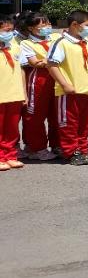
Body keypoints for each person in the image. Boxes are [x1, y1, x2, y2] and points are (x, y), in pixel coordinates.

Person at [46, 10, 88, 165]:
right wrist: (64, 83)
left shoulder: (87, 42)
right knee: (69, 123)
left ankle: (83, 149)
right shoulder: (61, 42)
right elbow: (52, 65)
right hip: (70, 91)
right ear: (75, 25)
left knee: (85, 123)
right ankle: (71, 151)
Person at [19, 12, 57, 161]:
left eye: (48, 24)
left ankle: (57, 145)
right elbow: (35, 62)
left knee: (56, 115)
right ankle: (37, 147)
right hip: (39, 81)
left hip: (57, 79)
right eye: (42, 26)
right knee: (35, 116)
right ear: (31, 28)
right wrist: (54, 61)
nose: (47, 28)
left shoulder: (55, 38)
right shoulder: (27, 43)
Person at [0, 14, 27, 171]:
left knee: (12, 128)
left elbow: (21, 70)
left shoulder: (16, 46)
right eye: (5, 30)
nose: (9, 33)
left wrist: (23, 92)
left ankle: (9, 154)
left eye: (11, 29)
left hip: (14, 94)